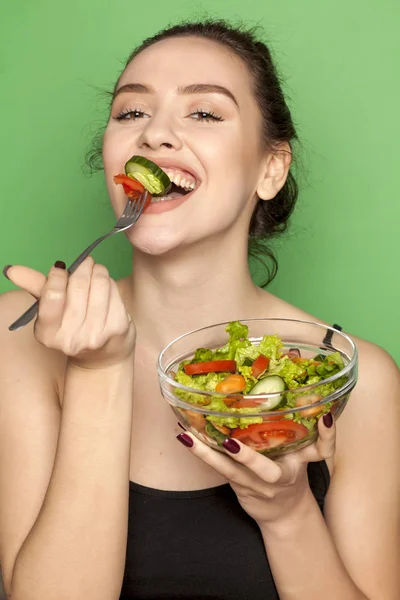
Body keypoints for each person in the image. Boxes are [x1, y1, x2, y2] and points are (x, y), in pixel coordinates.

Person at [0, 20, 399, 600]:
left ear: (271, 169)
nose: (155, 134)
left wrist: (287, 513)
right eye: (131, 113)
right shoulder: (21, 335)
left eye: (205, 113)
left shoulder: (353, 379)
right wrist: (97, 371)